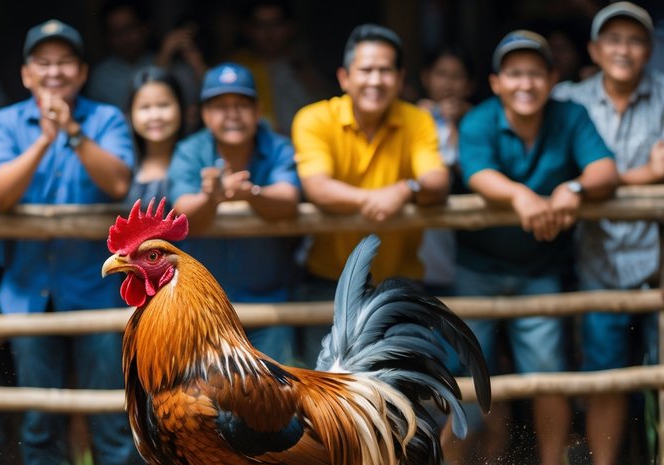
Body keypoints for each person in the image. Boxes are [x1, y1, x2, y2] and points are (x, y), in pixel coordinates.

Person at [453, 30, 619, 465]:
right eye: (514, 73)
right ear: (496, 82)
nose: (525, 83)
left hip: (541, 270)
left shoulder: (571, 115)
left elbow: (604, 169)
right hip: (478, 269)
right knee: (464, 378)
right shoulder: (480, 121)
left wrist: (574, 188)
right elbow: (476, 173)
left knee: (548, 374)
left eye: (535, 73)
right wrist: (521, 196)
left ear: (552, 79)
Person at [0, 19, 139, 465]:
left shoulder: (106, 119)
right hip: (29, 291)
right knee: (39, 412)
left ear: (83, 71)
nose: (54, 72)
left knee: (110, 409)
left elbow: (117, 183)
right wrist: (45, 138)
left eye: (65, 62)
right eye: (43, 63)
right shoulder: (6, 122)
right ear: (27, 74)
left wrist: (71, 130)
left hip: (94, 287)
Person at [554, 2, 664, 465]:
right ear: (594, 50)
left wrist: (593, 181)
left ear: (649, 50)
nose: (624, 50)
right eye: (614, 40)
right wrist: (645, 173)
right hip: (596, 261)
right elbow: (558, 173)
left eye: (635, 41)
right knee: (605, 377)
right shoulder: (568, 100)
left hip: (662, 264)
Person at [291, 24, 450, 360]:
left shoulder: (417, 120)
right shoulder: (314, 118)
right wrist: (377, 198)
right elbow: (317, 188)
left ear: (400, 77)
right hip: (327, 280)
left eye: (385, 70)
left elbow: (437, 181)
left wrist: (407, 188)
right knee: (323, 396)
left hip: (399, 280)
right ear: (344, 76)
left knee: (407, 394)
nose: (375, 80)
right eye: (365, 70)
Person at [169, 62, 301, 364]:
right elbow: (183, 214)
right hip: (202, 308)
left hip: (271, 303)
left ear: (258, 111)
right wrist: (210, 197)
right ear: (205, 114)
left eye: (242, 104)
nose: (232, 114)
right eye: (221, 106)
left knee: (276, 402)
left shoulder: (277, 146)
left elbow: (289, 200)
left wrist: (250, 193)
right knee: (205, 406)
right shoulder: (190, 150)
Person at [417, 45, 475, 294]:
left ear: (469, 85)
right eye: (441, 74)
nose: (448, 84)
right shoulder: (410, 118)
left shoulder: (478, 122)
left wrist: (458, 125)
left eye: (457, 76)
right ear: (426, 77)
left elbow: (469, 173)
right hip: (421, 236)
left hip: (465, 243)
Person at [234, 0, 327, 133]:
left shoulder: (303, 66)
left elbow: (325, 102)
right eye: (261, 25)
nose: (269, 33)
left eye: (276, 24)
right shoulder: (238, 66)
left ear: (290, 27)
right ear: (248, 29)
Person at [126, 66, 184, 206]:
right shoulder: (124, 163)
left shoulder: (196, 160)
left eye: (164, 105)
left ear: (181, 108)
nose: (155, 116)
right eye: (145, 107)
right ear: (129, 114)